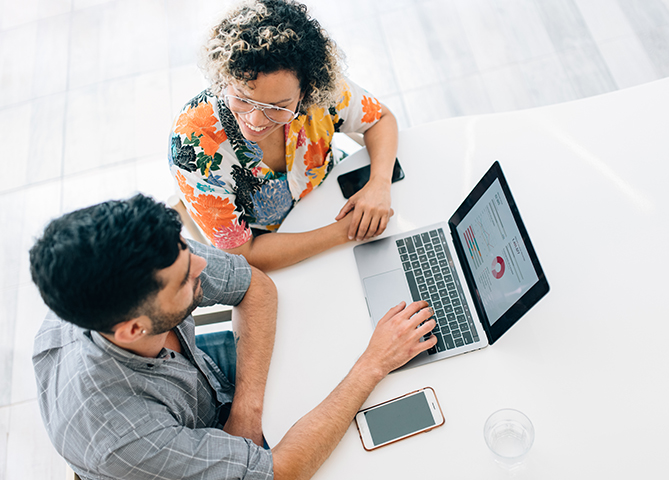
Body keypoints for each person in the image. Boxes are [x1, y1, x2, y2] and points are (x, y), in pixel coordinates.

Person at [30, 194, 436, 480]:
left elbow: (254, 286)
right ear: (134, 329)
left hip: (207, 390)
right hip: (173, 455)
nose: (202, 264)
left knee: (330, 334)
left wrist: (246, 412)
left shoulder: (140, 265)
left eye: (186, 252)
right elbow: (285, 472)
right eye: (184, 277)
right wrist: (373, 363)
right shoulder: (124, 435)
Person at [169, 0, 399, 271]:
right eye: (242, 99)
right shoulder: (193, 147)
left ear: (306, 93)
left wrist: (380, 184)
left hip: (338, 198)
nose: (254, 121)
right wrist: (343, 231)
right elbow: (244, 254)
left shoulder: (321, 95)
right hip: (280, 254)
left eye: (277, 107)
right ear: (224, 80)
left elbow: (380, 119)